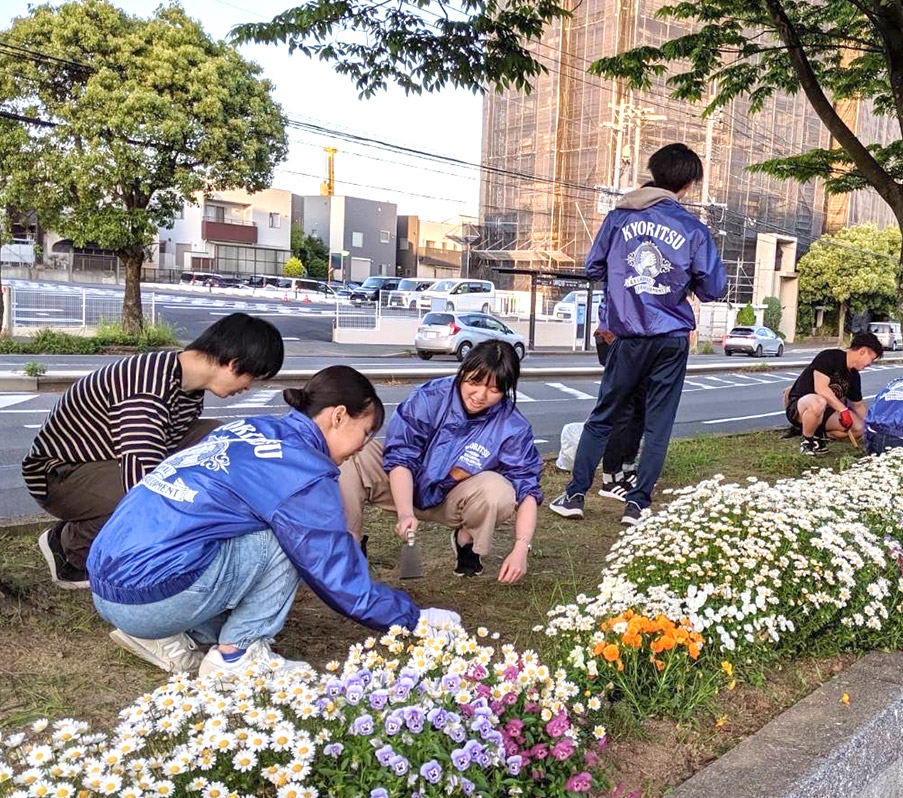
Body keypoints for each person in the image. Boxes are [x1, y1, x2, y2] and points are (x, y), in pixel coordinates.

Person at [87, 366, 459, 677]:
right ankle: (237, 655)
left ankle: (162, 634)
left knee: (241, 527)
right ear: (339, 415)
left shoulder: (253, 427)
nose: (362, 448)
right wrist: (413, 618)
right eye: (364, 434)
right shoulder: (303, 471)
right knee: (287, 539)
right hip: (153, 596)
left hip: (106, 586)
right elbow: (337, 576)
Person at [26, 313, 285, 590]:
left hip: (107, 457)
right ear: (233, 364)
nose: (248, 388)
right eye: (252, 378)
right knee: (145, 495)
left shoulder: (185, 382)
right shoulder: (147, 389)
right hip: (58, 474)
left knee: (220, 439)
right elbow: (142, 483)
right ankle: (69, 548)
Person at [550, 143, 727, 526]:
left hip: (627, 333)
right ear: (689, 185)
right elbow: (713, 288)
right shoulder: (694, 229)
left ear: (654, 172)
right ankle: (638, 504)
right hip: (671, 336)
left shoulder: (619, 218)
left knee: (604, 415)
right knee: (657, 424)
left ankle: (575, 494)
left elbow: (593, 266)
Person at [339, 340, 542, 582]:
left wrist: (521, 549)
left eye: (494, 389)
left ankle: (466, 542)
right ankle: (349, 545)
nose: (480, 395)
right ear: (463, 370)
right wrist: (405, 513)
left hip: (452, 497)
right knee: (353, 455)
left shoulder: (512, 426)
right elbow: (402, 455)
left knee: (500, 491)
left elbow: (527, 488)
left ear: (507, 389)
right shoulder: (430, 397)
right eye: (474, 382)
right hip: (401, 483)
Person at [784, 332, 884, 454]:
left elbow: (857, 405)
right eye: (871, 359)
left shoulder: (854, 376)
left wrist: (872, 426)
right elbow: (821, 389)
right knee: (818, 402)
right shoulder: (829, 357)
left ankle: (819, 435)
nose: (870, 364)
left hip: (827, 412)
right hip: (802, 406)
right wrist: (843, 409)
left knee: (858, 428)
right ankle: (808, 442)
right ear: (863, 351)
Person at [593, 295, 644, 501]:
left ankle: (626, 468)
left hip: (638, 340)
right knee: (623, 411)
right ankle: (610, 477)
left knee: (638, 409)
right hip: (618, 337)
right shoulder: (620, 269)